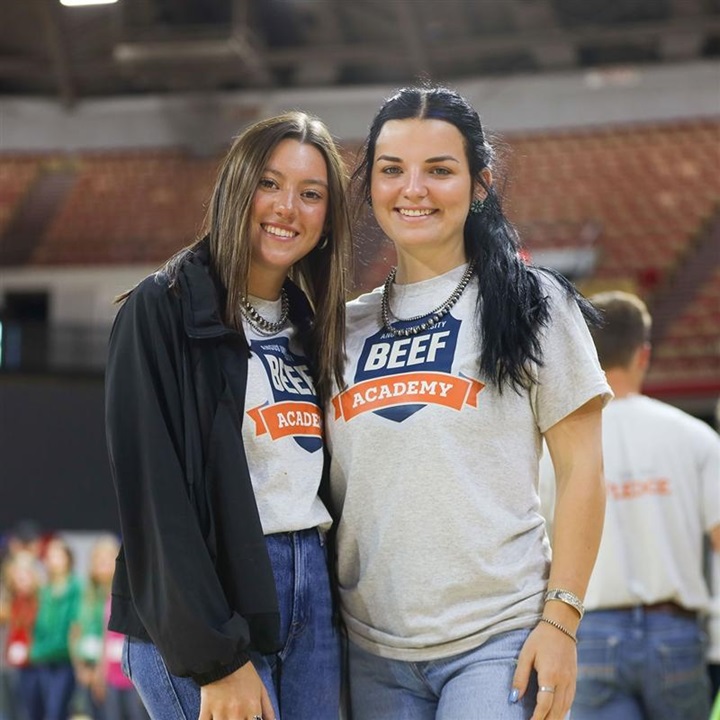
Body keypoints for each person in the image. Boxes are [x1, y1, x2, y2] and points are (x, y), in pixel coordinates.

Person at [326, 85, 611, 720]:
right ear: (370, 184)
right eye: (392, 170)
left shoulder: (536, 305)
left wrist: (561, 622)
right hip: (371, 653)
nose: (413, 189)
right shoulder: (340, 329)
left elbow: (584, 473)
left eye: (440, 170)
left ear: (480, 184)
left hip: (498, 640)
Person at [105, 111, 351, 720]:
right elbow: (154, 499)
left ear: (328, 219)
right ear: (236, 188)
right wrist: (215, 658)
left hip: (309, 592)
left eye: (311, 193)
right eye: (270, 183)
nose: (287, 207)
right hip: (210, 605)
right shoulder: (160, 310)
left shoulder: (312, 328)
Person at [542, 291, 719, 720]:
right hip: (675, 633)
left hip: (589, 629)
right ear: (644, 354)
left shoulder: (553, 449)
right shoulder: (695, 437)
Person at [19, 536, 81, 720]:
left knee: (57, 711)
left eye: (57, 555)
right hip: (43, 657)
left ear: (67, 558)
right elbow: (38, 625)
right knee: (42, 710)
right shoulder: (44, 590)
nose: (52, 560)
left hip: (65, 658)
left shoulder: (75, 586)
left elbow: (75, 624)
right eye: (49, 555)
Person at [70, 534, 121, 720]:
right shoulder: (86, 594)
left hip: (115, 672)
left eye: (108, 558)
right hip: (87, 668)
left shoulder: (122, 595)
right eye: (98, 559)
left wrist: (101, 671)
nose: (103, 563)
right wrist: (81, 668)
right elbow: (75, 631)